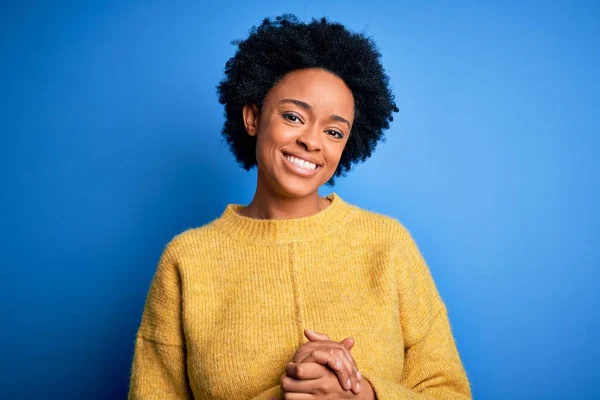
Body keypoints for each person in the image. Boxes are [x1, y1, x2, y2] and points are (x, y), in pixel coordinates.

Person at [128, 14, 472, 400]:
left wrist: (361, 395)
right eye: (294, 117)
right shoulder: (187, 260)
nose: (312, 141)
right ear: (253, 117)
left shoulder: (387, 243)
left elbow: (451, 393)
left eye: (333, 131)